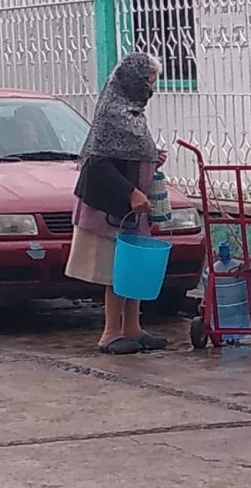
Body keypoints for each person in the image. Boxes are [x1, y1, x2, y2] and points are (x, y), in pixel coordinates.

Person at [65, 52, 169, 354]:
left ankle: (132, 329)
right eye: (148, 83)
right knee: (116, 272)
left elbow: (131, 152)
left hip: (131, 210)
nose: (152, 90)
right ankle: (110, 333)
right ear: (133, 82)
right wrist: (131, 192)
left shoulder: (132, 111)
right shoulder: (113, 112)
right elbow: (98, 163)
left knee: (133, 268)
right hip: (109, 207)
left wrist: (152, 157)